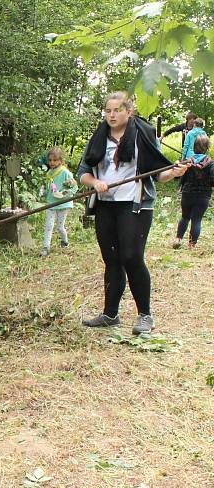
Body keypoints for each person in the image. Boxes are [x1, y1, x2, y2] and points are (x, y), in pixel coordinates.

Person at [77, 91, 191, 335]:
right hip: (106, 205)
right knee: (112, 259)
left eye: (117, 110)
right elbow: (83, 172)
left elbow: (158, 174)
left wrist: (174, 173)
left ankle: (145, 315)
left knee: (131, 257)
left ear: (129, 111)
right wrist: (95, 183)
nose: (111, 115)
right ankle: (110, 314)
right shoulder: (98, 137)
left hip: (135, 205)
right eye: (107, 110)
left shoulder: (144, 135)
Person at [173, 135, 214, 249]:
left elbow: (178, 176)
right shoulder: (211, 163)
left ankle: (178, 239)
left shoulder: (187, 162)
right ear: (207, 148)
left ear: (194, 147)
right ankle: (192, 244)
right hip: (203, 195)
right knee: (197, 219)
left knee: (185, 217)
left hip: (187, 193)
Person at [40, 147, 78, 257]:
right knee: (49, 225)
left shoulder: (65, 173)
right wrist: (43, 192)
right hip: (51, 203)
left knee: (60, 227)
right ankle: (46, 247)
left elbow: (74, 188)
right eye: (50, 160)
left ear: (60, 160)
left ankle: (65, 241)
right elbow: (49, 188)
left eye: (55, 160)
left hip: (63, 203)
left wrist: (64, 193)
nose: (52, 162)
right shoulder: (49, 173)